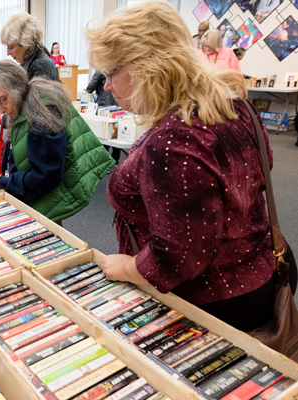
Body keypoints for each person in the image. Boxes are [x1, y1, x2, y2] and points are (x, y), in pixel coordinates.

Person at [86, 0, 297, 332]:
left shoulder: (174, 140)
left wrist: (125, 267)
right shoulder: (235, 105)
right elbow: (258, 172)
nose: (107, 86)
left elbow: (178, 258)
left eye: (112, 73)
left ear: (146, 68)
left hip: (213, 300)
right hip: (265, 263)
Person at [0, 60, 115, 224]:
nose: (0, 109)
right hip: (39, 197)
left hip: (47, 203)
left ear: (17, 88)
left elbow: (46, 175)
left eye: (3, 100)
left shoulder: (40, 116)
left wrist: (8, 183)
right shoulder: (27, 102)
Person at [0, 12, 59, 127]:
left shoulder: (40, 65)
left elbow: (35, 109)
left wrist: (4, 118)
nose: (8, 53)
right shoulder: (29, 62)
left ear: (25, 42)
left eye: (11, 47)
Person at [86, 70, 121, 164]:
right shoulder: (119, 68)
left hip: (103, 106)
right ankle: (115, 159)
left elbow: (90, 87)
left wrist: (88, 90)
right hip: (117, 105)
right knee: (116, 132)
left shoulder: (100, 70)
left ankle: (104, 161)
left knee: (104, 134)